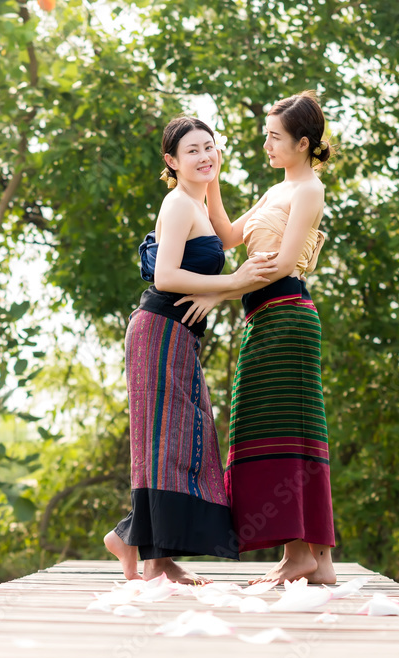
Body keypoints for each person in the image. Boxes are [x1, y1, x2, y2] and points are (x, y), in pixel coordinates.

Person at [103, 117, 278, 584]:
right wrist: (233, 283)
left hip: (178, 335)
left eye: (210, 147)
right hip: (158, 328)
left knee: (182, 438)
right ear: (171, 162)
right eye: (193, 151)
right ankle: (140, 548)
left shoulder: (201, 197)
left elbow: (225, 239)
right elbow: (164, 277)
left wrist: (218, 290)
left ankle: (148, 550)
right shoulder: (178, 204)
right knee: (167, 443)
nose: (204, 156)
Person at [177, 91, 336, 584]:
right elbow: (227, 236)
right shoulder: (276, 190)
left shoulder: (308, 189)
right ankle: (319, 562)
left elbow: (286, 264)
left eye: (274, 137)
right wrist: (213, 180)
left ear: (303, 143)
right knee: (282, 425)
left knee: (286, 426)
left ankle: (300, 555)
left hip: (287, 315)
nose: (265, 144)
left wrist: (220, 294)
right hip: (264, 317)